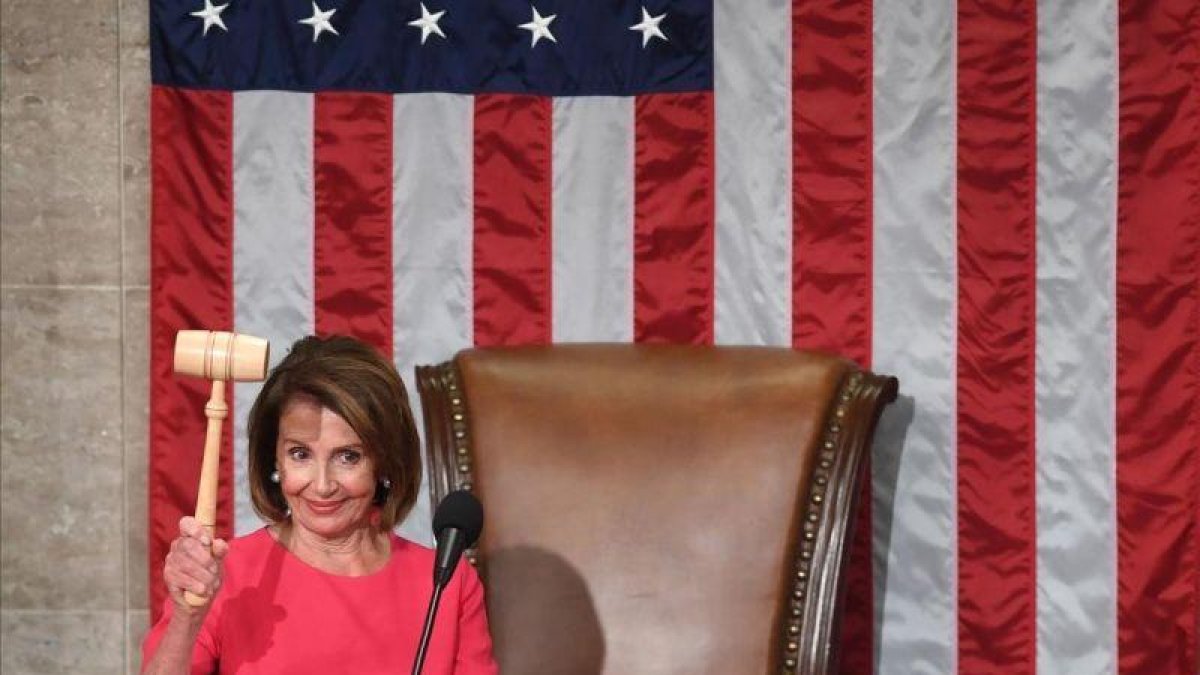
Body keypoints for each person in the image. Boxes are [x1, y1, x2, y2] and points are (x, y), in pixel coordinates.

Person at [143, 335, 497, 674]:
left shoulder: (448, 584)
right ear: (275, 461)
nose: (323, 485)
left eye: (348, 457)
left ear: (385, 461)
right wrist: (188, 617)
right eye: (300, 454)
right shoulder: (225, 575)